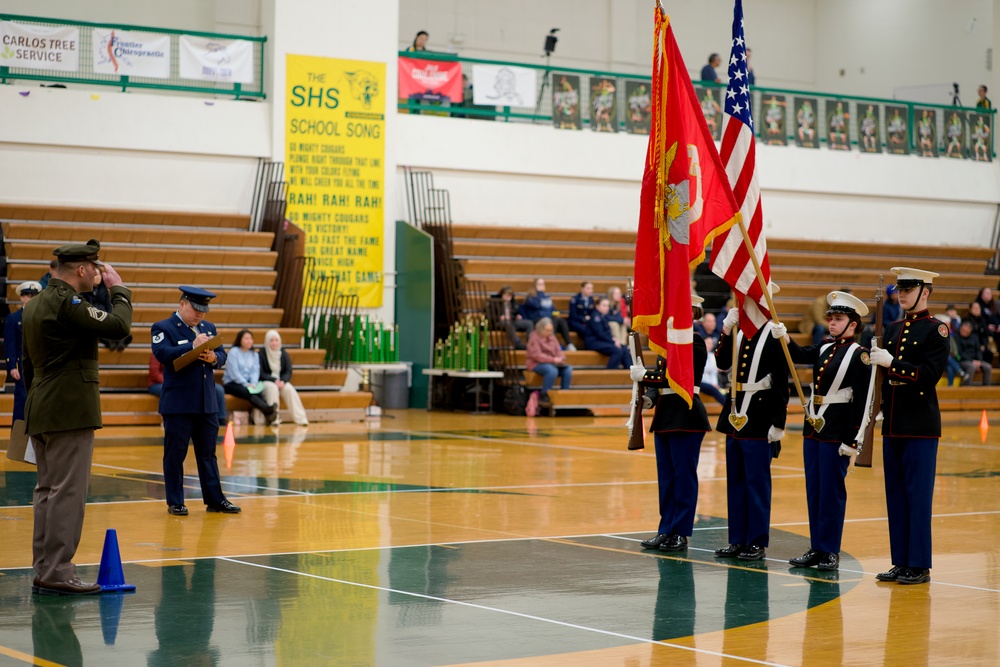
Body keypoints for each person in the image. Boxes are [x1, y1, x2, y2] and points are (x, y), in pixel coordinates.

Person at [22, 240, 132, 595]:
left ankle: (45, 567)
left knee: (46, 492)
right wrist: (119, 290)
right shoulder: (68, 303)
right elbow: (118, 327)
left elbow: (27, 365)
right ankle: (59, 571)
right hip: (69, 409)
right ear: (82, 270)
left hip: (41, 406)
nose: (99, 274)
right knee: (68, 493)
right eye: (96, 268)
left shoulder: (35, 303)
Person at [774, 291, 872, 571]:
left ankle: (830, 551)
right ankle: (817, 547)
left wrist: (853, 439)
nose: (831, 323)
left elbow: (863, 400)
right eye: (830, 318)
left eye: (838, 319)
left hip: (837, 432)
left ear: (853, 324)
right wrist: (785, 337)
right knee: (815, 491)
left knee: (831, 493)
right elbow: (800, 354)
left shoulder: (860, 356)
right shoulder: (825, 347)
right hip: (815, 428)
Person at [869, 267, 949, 585]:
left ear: (924, 292)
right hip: (894, 423)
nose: (901, 294)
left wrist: (893, 364)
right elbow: (882, 378)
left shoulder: (936, 330)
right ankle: (901, 560)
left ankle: (919, 563)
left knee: (917, 497)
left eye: (908, 289)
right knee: (896, 495)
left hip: (920, 425)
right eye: (899, 289)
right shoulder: (891, 328)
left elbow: (928, 376)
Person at [633, 294, 712, 553]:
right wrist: (648, 396)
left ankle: (680, 532)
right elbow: (662, 386)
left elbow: (678, 374)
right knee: (667, 479)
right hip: (666, 416)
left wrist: (646, 375)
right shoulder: (666, 344)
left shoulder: (695, 342)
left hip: (686, 416)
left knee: (683, 478)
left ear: (693, 313)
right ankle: (665, 529)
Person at [152, 286, 240, 516]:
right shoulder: (164, 327)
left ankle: (215, 499)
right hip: (179, 403)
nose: (200, 315)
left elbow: (222, 354)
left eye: (203, 310)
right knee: (175, 455)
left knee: (208, 454)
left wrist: (214, 358)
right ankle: (175, 501)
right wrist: (191, 346)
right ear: (182, 304)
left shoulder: (208, 328)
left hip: (205, 403)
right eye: (195, 309)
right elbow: (162, 353)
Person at [714, 296, 790, 561]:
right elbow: (722, 364)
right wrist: (725, 330)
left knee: (756, 484)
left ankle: (756, 541)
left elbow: (782, 381)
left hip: (760, 417)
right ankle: (737, 540)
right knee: (735, 482)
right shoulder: (738, 332)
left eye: (749, 302)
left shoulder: (773, 333)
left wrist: (779, 423)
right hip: (735, 414)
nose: (744, 306)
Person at [148, 353, 227, 424]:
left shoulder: (186, 352)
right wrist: (172, 382)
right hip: (158, 384)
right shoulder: (158, 353)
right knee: (178, 390)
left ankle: (220, 418)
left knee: (218, 389)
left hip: (185, 382)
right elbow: (155, 374)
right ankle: (177, 419)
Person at [223, 329, 280, 425]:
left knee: (258, 392)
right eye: (246, 338)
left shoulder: (254, 354)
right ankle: (268, 410)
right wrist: (246, 384)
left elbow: (255, 372)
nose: (249, 341)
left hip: (250, 384)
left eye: (251, 339)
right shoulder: (233, 352)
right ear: (240, 340)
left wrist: (253, 383)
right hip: (233, 383)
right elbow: (234, 373)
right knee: (247, 392)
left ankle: (268, 414)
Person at [5, 281, 41, 424]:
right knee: (22, 401)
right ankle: (19, 439)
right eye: (27, 295)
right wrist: (12, 365)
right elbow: (10, 344)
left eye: (34, 296)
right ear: (21, 298)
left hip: (40, 364)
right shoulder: (13, 319)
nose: (30, 298)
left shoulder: (42, 317)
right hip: (22, 365)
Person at [259, 329, 310, 426]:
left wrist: (283, 381)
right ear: (267, 341)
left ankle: (301, 418)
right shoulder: (261, 354)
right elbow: (260, 373)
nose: (274, 343)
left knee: (289, 389)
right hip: (266, 381)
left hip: (281, 382)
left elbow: (288, 371)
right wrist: (274, 380)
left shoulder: (284, 353)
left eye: (276, 340)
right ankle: (274, 418)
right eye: (271, 340)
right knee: (272, 388)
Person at [525, 317, 572, 402]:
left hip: (552, 362)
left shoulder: (552, 337)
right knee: (552, 370)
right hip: (536, 363)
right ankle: (545, 394)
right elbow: (537, 356)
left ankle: (565, 394)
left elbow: (558, 349)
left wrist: (561, 357)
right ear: (541, 329)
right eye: (547, 330)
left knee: (568, 369)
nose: (549, 332)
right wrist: (553, 359)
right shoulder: (534, 337)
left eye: (551, 330)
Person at [519, 277, 574, 350]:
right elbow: (537, 306)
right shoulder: (531, 297)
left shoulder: (547, 297)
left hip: (548, 318)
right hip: (537, 320)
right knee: (551, 321)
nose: (541, 286)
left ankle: (569, 344)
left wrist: (555, 313)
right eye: (539, 284)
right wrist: (540, 294)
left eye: (542, 284)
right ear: (534, 286)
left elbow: (552, 309)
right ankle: (550, 343)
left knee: (560, 320)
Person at [584, 297, 631, 369]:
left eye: (608, 306)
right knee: (617, 350)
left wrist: (614, 339)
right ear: (597, 306)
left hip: (602, 340)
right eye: (604, 305)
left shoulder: (603, 316)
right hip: (594, 341)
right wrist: (613, 341)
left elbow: (607, 332)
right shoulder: (595, 317)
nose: (607, 308)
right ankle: (610, 373)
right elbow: (600, 334)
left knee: (624, 348)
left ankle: (629, 371)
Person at [956, 320, 992, 385]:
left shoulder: (974, 337)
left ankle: (987, 388)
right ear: (960, 328)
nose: (964, 332)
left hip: (975, 360)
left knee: (988, 367)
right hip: (963, 360)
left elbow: (978, 350)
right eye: (963, 330)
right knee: (971, 367)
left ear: (970, 331)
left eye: (966, 331)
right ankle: (965, 389)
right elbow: (959, 352)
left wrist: (979, 361)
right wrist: (972, 361)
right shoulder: (956, 337)